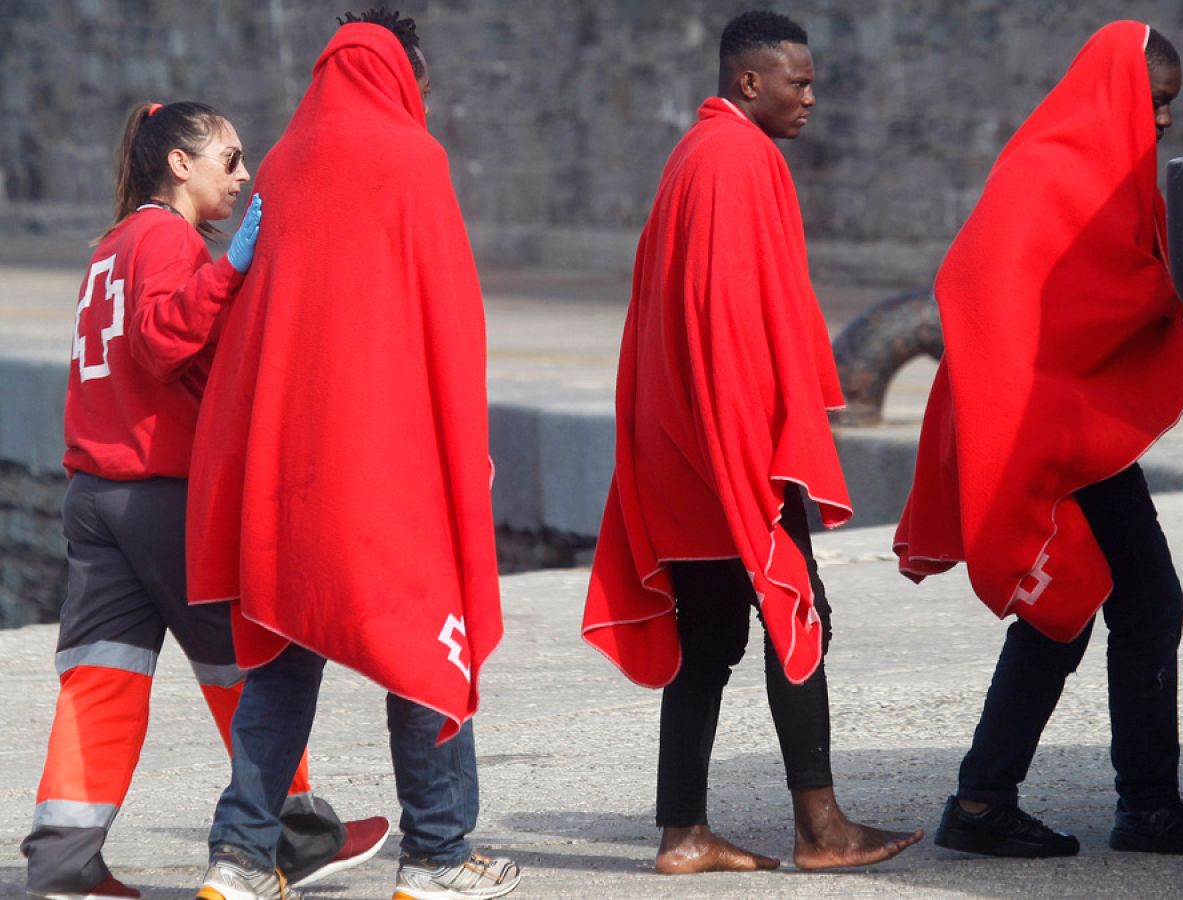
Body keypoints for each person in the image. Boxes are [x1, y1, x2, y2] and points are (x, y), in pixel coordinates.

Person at [184, 10, 518, 900]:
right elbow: (451, 319)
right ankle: (439, 854)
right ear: (401, 77)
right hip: (389, 467)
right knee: (422, 645)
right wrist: (461, 452)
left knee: (284, 659)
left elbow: (253, 326)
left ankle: (243, 857)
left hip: (290, 471)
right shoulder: (414, 162)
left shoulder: (285, 166)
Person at [582, 9, 923, 876]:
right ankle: (822, 829)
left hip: (681, 440)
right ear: (749, 82)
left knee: (708, 638)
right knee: (795, 610)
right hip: (725, 445)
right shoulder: (740, 159)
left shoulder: (698, 154)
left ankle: (684, 835)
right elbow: (729, 328)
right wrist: (758, 459)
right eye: (797, 82)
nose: (811, 97)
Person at [20, 101, 389, 900]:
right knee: (252, 663)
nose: (244, 174)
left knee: (99, 679)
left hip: (94, 494)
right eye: (229, 157)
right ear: (179, 164)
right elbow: (160, 343)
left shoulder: (112, 245)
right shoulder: (163, 239)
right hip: (162, 493)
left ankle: (62, 861)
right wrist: (231, 273)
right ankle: (297, 833)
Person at [894, 21, 1183, 859]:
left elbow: (1110, 282)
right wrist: (1170, 288)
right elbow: (989, 288)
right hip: (1041, 427)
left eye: (1172, 108)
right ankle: (1089, 805)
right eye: (1154, 102)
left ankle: (1004, 799)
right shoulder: (1049, 171)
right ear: (1116, 93)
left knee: (1105, 606)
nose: (1162, 122)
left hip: (1071, 425)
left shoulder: (1106, 177)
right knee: (1113, 606)